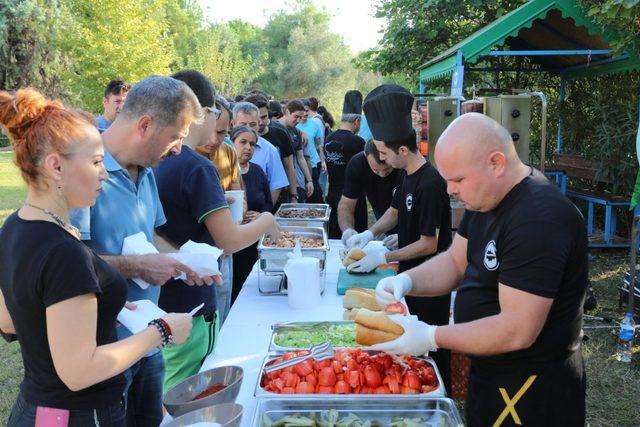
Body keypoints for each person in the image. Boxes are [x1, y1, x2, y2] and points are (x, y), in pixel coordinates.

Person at [373, 113, 588, 426]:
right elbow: (455, 262)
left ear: (496, 163)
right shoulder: (485, 198)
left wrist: (432, 336)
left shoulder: (539, 219)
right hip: (491, 371)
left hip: (529, 387)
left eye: (458, 180)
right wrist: (406, 281)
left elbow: (517, 330)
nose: (449, 190)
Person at [0, 88, 193, 426]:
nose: (104, 173)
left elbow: (10, 318)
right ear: (56, 166)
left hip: (37, 411)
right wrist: (160, 330)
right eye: (96, 162)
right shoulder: (64, 250)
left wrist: (97, 309)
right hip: (80, 415)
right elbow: (79, 371)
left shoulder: (15, 226)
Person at [71, 75, 209, 426]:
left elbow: (151, 235)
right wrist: (136, 266)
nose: (179, 148)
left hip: (147, 338)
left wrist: (179, 261)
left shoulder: (147, 171)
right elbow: (64, 261)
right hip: (104, 351)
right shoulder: (85, 171)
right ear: (145, 125)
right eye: (176, 137)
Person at [154, 71, 280, 392]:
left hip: (159, 302)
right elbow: (230, 241)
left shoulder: (160, 159)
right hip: (191, 307)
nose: (220, 138)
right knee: (184, 393)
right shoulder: (198, 166)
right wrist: (267, 220)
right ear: (206, 112)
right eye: (221, 128)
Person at [345, 84, 452, 390]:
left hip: (430, 283)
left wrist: (385, 256)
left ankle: (437, 394)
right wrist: (368, 233)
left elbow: (429, 243)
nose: (381, 158)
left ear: (402, 150)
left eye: (382, 152)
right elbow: (393, 212)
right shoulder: (406, 173)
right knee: (406, 345)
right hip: (408, 280)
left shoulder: (430, 184)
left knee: (429, 350)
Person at [230, 126, 273, 303]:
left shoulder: (257, 171)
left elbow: (269, 203)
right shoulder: (224, 172)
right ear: (231, 144)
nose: (248, 147)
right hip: (232, 242)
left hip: (255, 241)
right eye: (243, 142)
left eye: (253, 144)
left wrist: (261, 215)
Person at [339, 139, 399, 245]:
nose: (382, 174)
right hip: (382, 223)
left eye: (388, 169)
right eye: (376, 170)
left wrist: (409, 235)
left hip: (410, 224)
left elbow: (396, 211)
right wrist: (347, 229)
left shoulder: (402, 166)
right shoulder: (357, 163)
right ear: (366, 157)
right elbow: (346, 204)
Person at [324, 90, 367, 238]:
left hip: (333, 194)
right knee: (355, 237)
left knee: (335, 236)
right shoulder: (358, 142)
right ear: (357, 121)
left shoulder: (329, 138)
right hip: (353, 196)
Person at [245, 93, 298, 206]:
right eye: (256, 119)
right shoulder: (238, 139)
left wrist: (294, 196)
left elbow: (289, 166)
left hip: (279, 198)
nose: (261, 122)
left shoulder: (280, 133)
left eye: (264, 117)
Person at [231, 102, 289, 205]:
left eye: (252, 124)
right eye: (243, 124)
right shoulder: (223, 147)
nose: (248, 128)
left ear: (259, 124)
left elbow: (276, 185)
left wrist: (263, 212)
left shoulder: (270, 150)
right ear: (233, 124)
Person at [195, 95, 242, 192]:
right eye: (208, 131)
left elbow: (236, 189)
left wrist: (242, 204)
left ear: (230, 126)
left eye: (221, 133)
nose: (214, 140)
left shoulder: (228, 151)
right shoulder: (178, 155)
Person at [276, 100, 314, 202]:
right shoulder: (274, 128)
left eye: (300, 117)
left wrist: (309, 180)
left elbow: (301, 158)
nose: (298, 120)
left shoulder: (296, 132)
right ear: (287, 112)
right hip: (277, 184)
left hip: (295, 182)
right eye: (296, 116)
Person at [297, 100, 325, 203]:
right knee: (305, 192)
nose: (304, 113)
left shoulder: (314, 124)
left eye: (307, 111)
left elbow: (318, 144)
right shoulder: (294, 126)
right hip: (301, 164)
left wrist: (322, 160)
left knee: (315, 191)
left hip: (314, 163)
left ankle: (318, 213)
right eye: (302, 111)